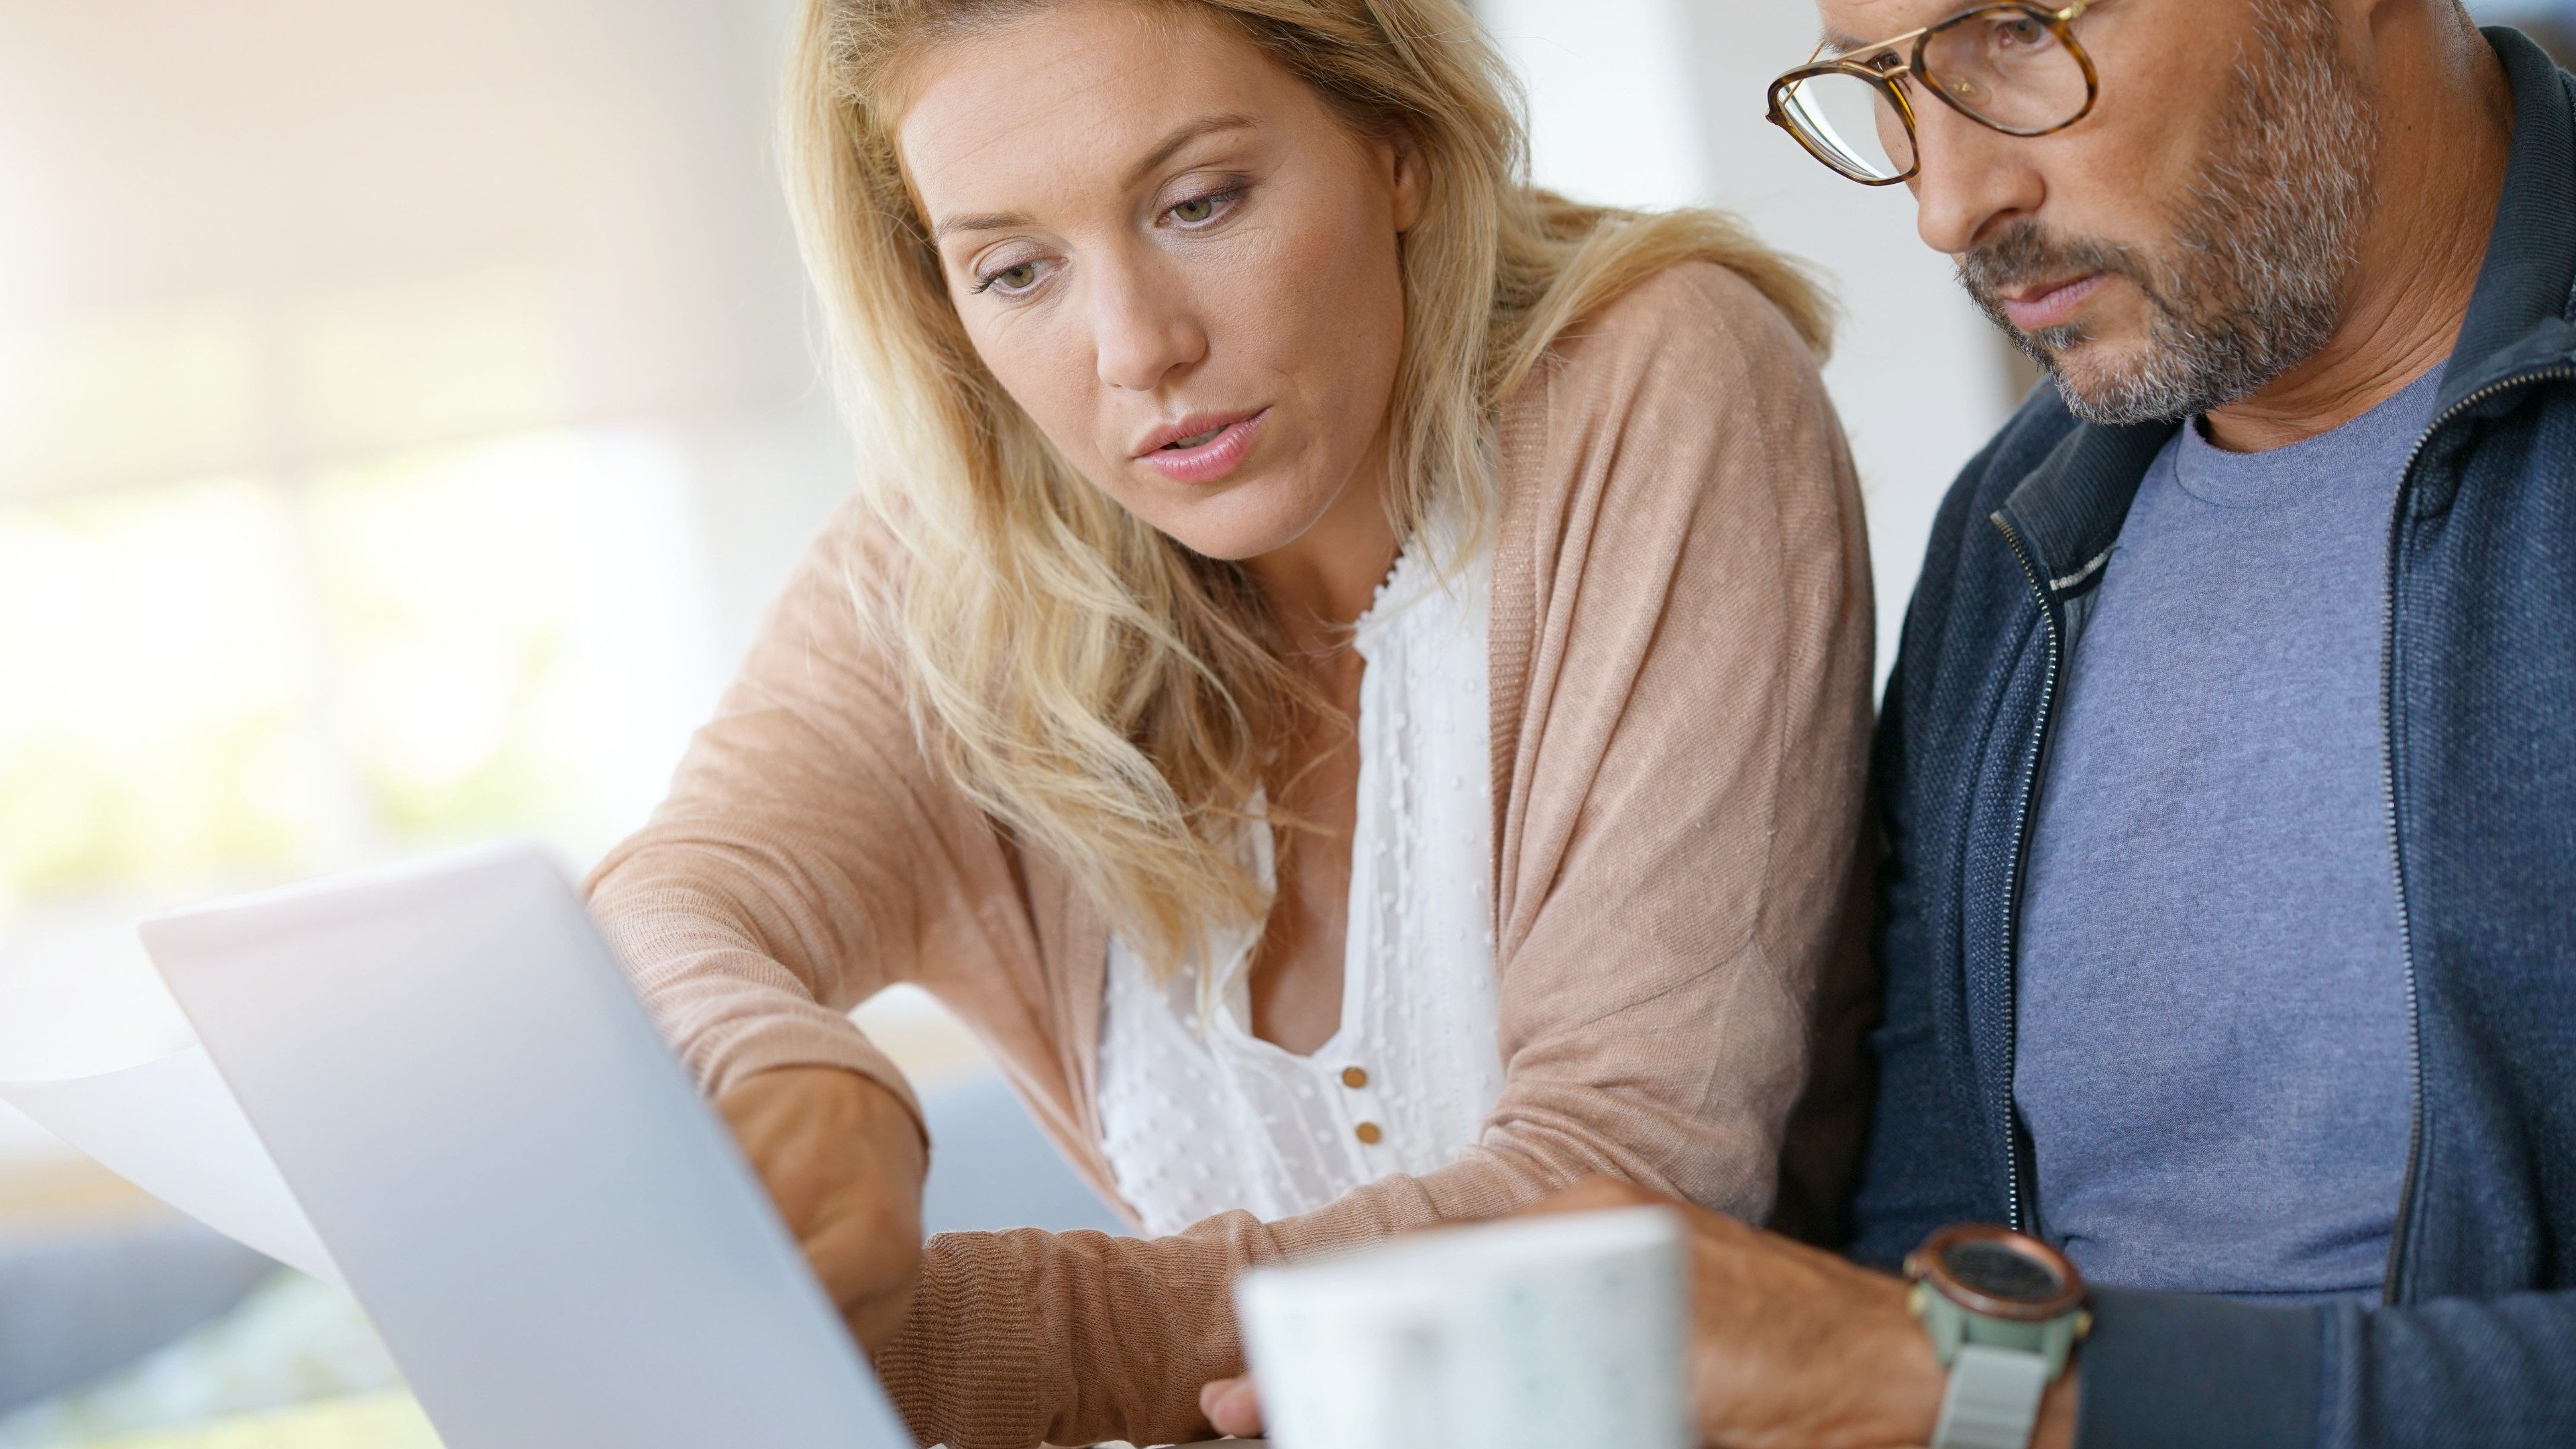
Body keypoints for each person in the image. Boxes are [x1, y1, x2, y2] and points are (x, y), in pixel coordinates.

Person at [1199, 2, 2576, 1446]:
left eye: (2016, 32)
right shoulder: (2019, 542)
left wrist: (1999, 1389)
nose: (1945, 200)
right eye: (1881, 84)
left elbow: (1936, 1369)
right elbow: (1919, 1247)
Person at [586, 0, 1876, 1444]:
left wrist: (924, 1353)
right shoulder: (963, 557)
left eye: (1201, 203)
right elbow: (671, 900)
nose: (1137, 349)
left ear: (1396, 142)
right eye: (1015, 271)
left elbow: (1628, 1193)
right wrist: (785, 1062)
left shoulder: (1658, 382)